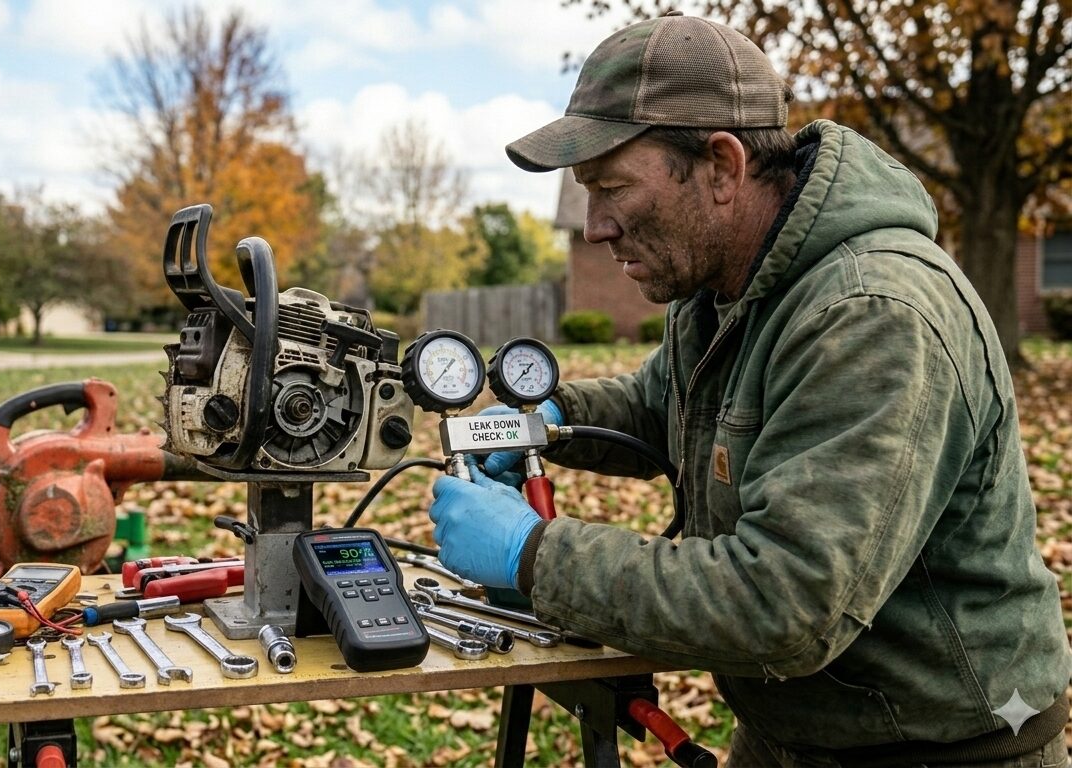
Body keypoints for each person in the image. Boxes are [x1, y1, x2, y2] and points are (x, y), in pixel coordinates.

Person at [428, 12, 1071, 767]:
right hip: (793, 732)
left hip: (938, 749)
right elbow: (658, 405)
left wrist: (533, 553)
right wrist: (549, 418)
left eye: (612, 189)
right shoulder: (725, 287)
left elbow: (782, 605)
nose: (596, 227)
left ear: (724, 167)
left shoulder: (872, 316)